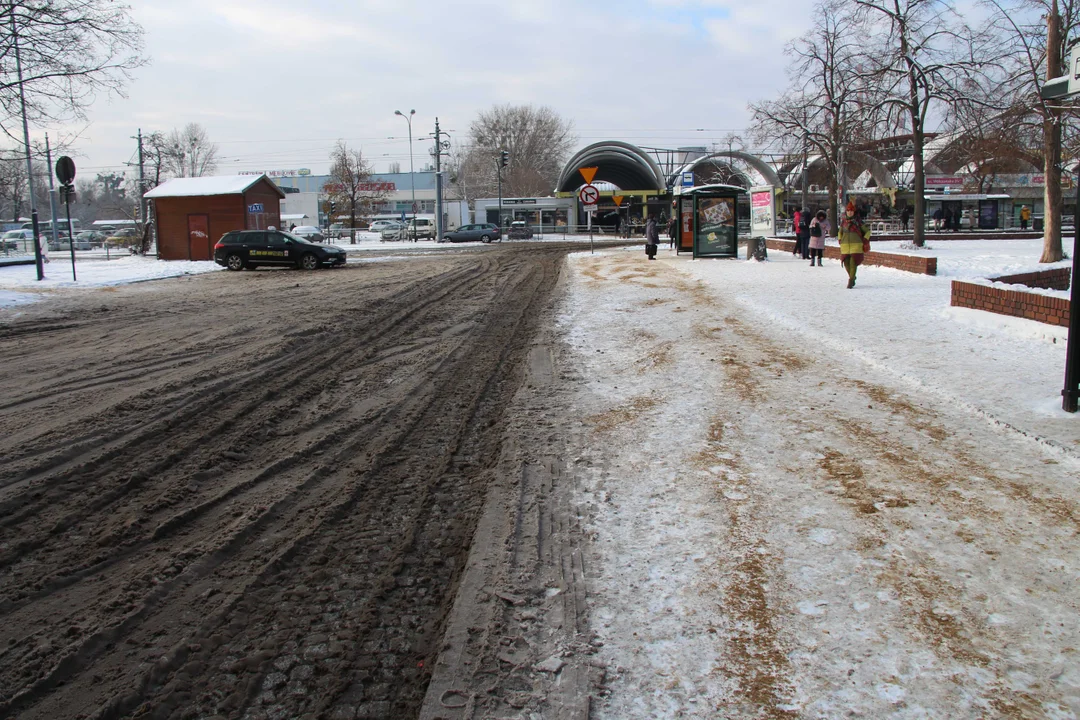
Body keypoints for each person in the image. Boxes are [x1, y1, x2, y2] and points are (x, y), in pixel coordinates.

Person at [837, 200, 870, 289]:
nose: (850, 212)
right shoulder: (843, 222)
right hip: (845, 245)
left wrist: (865, 239)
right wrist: (840, 239)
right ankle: (853, 276)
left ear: (854, 212)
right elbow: (840, 232)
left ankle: (851, 280)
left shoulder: (858, 222)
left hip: (856, 244)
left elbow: (867, 231)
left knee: (853, 262)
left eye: (851, 211)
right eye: (848, 210)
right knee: (846, 262)